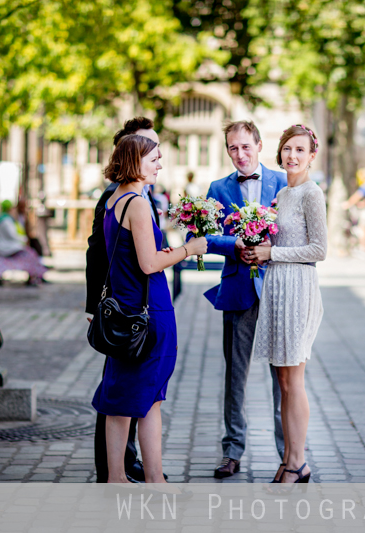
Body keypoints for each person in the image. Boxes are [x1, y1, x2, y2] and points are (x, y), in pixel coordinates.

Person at [90, 134, 207, 485]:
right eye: (154, 159)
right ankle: (154, 482)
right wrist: (188, 249)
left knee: (122, 401)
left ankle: (119, 479)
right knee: (149, 400)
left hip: (126, 312)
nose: (160, 164)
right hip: (147, 314)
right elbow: (149, 263)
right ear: (134, 161)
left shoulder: (115, 198)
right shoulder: (138, 204)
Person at [193, 120, 287, 478]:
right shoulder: (218, 187)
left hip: (277, 289)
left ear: (259, 145)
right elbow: (199, 235)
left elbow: (297, 233)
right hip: (237, 289)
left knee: (284, 377)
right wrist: (234, 244)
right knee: (235, 376)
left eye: (246, 146)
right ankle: (232, 451)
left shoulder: (284, 182)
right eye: (233, 148)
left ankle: (288, 454)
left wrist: (268, 248)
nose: (240, 154)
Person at [246, 125, 327, 484]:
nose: (292, 156)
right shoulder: (282, 194)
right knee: (282, 379)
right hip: (277, 285)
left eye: (300, 150)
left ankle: (298, 462)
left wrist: (272, 253)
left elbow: (319, 250)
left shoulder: (312, 193)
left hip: (299, 287)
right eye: (287, 149)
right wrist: (260, 252)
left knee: (294, 379)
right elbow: (281, 243)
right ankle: (290, 459)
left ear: (311, 156)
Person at [85, 117, 164, 483]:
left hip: (133, 302)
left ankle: (125, 467)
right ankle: (114, 470)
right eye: (150, 150)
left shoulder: (139, 194)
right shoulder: (121, 197)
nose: (157, 157)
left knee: (127, 389)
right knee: (122, 392)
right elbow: (98, 252)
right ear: (131, 153)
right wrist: (96, 306)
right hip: (127, 308)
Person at [0, 200, 48, 285]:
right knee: (30, 255)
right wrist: (23, 239)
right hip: (9, 248)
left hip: (3, 247)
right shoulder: (6, 220)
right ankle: (35, 275)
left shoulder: (0, 219)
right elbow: (12, 235)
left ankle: (34, 276)